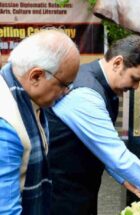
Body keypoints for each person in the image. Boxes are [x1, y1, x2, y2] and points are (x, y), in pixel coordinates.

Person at [47, 35, 140, 215]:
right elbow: (118, 157)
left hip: (76, 193)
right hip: (60, 198)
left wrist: (124, 178)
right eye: (135, 78)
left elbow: (96, 143)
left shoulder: (98, 84)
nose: (137, 87)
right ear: (117, 63)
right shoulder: (86, 95)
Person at [0, 30, 80, 215]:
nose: (66, 92)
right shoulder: (6, 125)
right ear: (36, 76)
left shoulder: (25, 99)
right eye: (64, 84)